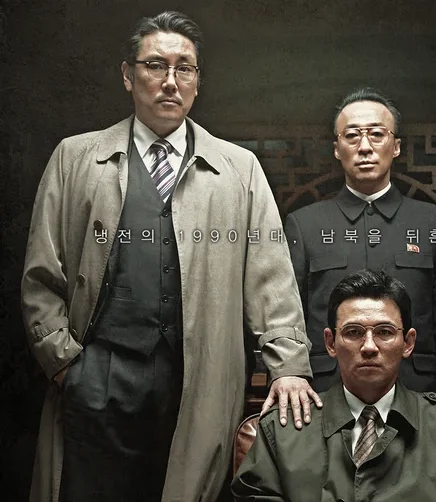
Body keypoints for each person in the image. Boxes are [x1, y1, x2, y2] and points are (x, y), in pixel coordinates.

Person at [21, 11, 322, 502]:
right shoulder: (76, 158)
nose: (170, 81)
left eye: (184, 68)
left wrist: (288, 365)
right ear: (127, 75)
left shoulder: (239, 168)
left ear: (198, 82)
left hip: (197, 378)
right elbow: (40, 275)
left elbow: (271, 276)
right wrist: (65, 365)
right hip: (96, 376)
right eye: (155, 65)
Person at [231, 269, 436, 501]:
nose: (369, 346)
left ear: (408, 343)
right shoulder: (282, 431)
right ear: (330, 343)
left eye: (384, 332)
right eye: (353, 332)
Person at [284, 87, 436, 403]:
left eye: (376, 134)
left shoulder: (434, 223)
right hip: (326, 392)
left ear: (396, 146)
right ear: (336, 149)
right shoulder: (305, 225)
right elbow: (290, 317)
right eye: (352, 136)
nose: (364, 147)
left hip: (418, 391)